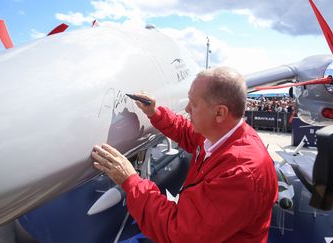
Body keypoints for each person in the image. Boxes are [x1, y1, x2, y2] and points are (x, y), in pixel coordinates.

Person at [91, 66, 278, 242]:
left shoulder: (242, 174)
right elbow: (187, 133)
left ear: (220, 113)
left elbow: (178, 233)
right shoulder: (221, 135)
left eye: (194, 104)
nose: (187, 109)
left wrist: (130, 180)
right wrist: (155, 113)